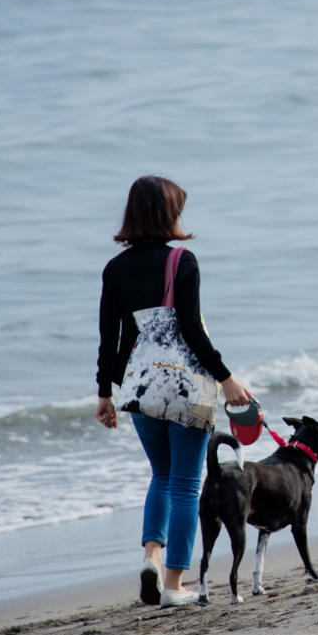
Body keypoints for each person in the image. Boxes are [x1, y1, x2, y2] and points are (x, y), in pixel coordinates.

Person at [95, 175, 253, 608]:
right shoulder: (181, 261)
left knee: (161, 476)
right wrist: (227, 379)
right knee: (186, 483)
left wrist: (105, 392)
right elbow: (191, 334)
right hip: (186, 388)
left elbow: (111, 336)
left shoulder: (115, 268)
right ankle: (173, 585)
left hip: (140, 385)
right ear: (169, 214)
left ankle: (150, 555)